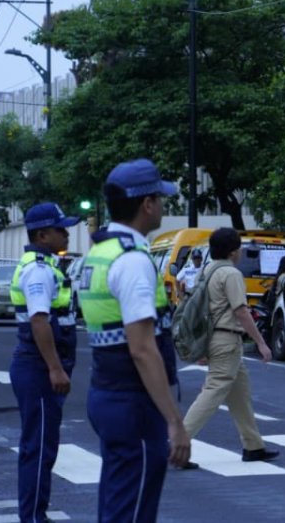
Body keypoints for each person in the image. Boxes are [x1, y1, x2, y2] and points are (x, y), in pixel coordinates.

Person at [82, 158, 190, 522]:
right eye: (161, 198)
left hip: (108, 391)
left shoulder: (99, 253)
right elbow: (142, 348)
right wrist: (174, 420)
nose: (164, 205)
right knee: (134, 509)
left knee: (118, 502)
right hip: (135, 401)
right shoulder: (132, 260)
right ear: (147, 204)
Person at [181, 228, 279, 466]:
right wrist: (261, 343)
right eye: (241, 247)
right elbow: (241, 311)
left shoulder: (208, 270)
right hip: (227, 338)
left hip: (215, 338)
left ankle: (253, 445)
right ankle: (177, 443)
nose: (243, 251)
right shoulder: (230, 274)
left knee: (239, 394)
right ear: (234, 251)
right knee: (213, 392)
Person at [10, 203, 81, 522]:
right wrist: (54, 367)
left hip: (41, 366)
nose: (66, 233)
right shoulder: (38, 270)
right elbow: (40, 321)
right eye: (60, 229)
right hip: (38, 368)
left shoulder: (48, 265)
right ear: (42, 234)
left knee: (42, 446)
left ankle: (36, 513)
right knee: (38, 448)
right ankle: (33, 517)